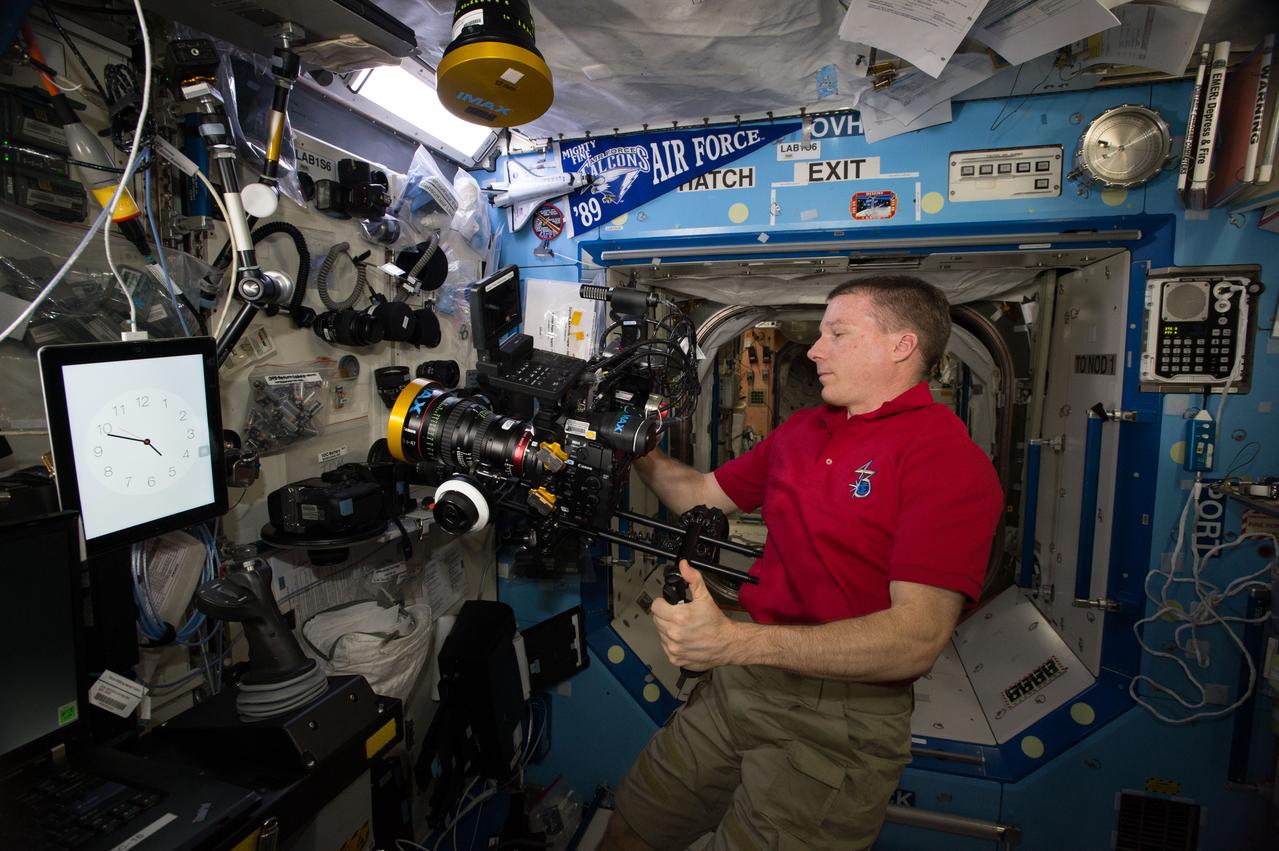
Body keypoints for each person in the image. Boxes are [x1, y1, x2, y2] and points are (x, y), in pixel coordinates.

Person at [603, 276, 1003, 850]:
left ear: (902, 346)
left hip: (841, 716)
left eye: (837, 333)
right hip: (741, 684)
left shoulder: (945, 460)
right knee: (633, 827)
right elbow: (700, 495)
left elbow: (916, 638)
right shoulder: (803, 431)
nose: (815, 350)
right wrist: (635, 443)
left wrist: (731, 643)